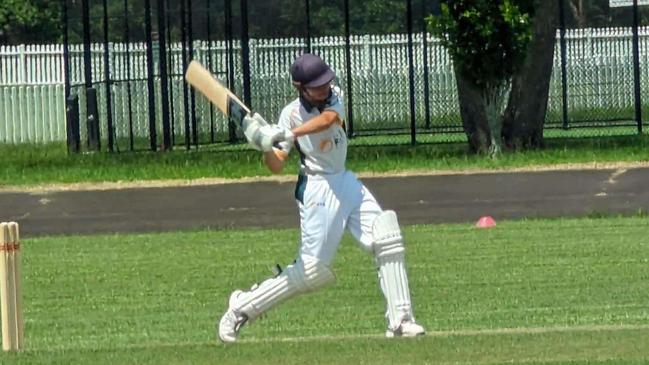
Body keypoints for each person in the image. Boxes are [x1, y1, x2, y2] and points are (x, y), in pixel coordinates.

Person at [218, 53, 425, 343]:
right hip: (317, 188)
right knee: (312, 271)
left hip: (344, 179)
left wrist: (288, 133)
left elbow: (329, 121)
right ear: (299, 87)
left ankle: (401, 322)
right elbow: (276, 165)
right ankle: (241, 307)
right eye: (316, 86)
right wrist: (264, 144)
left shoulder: (332, 98)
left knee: (386, 236)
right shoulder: (289, 114)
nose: (324, 89)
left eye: (326, 83)